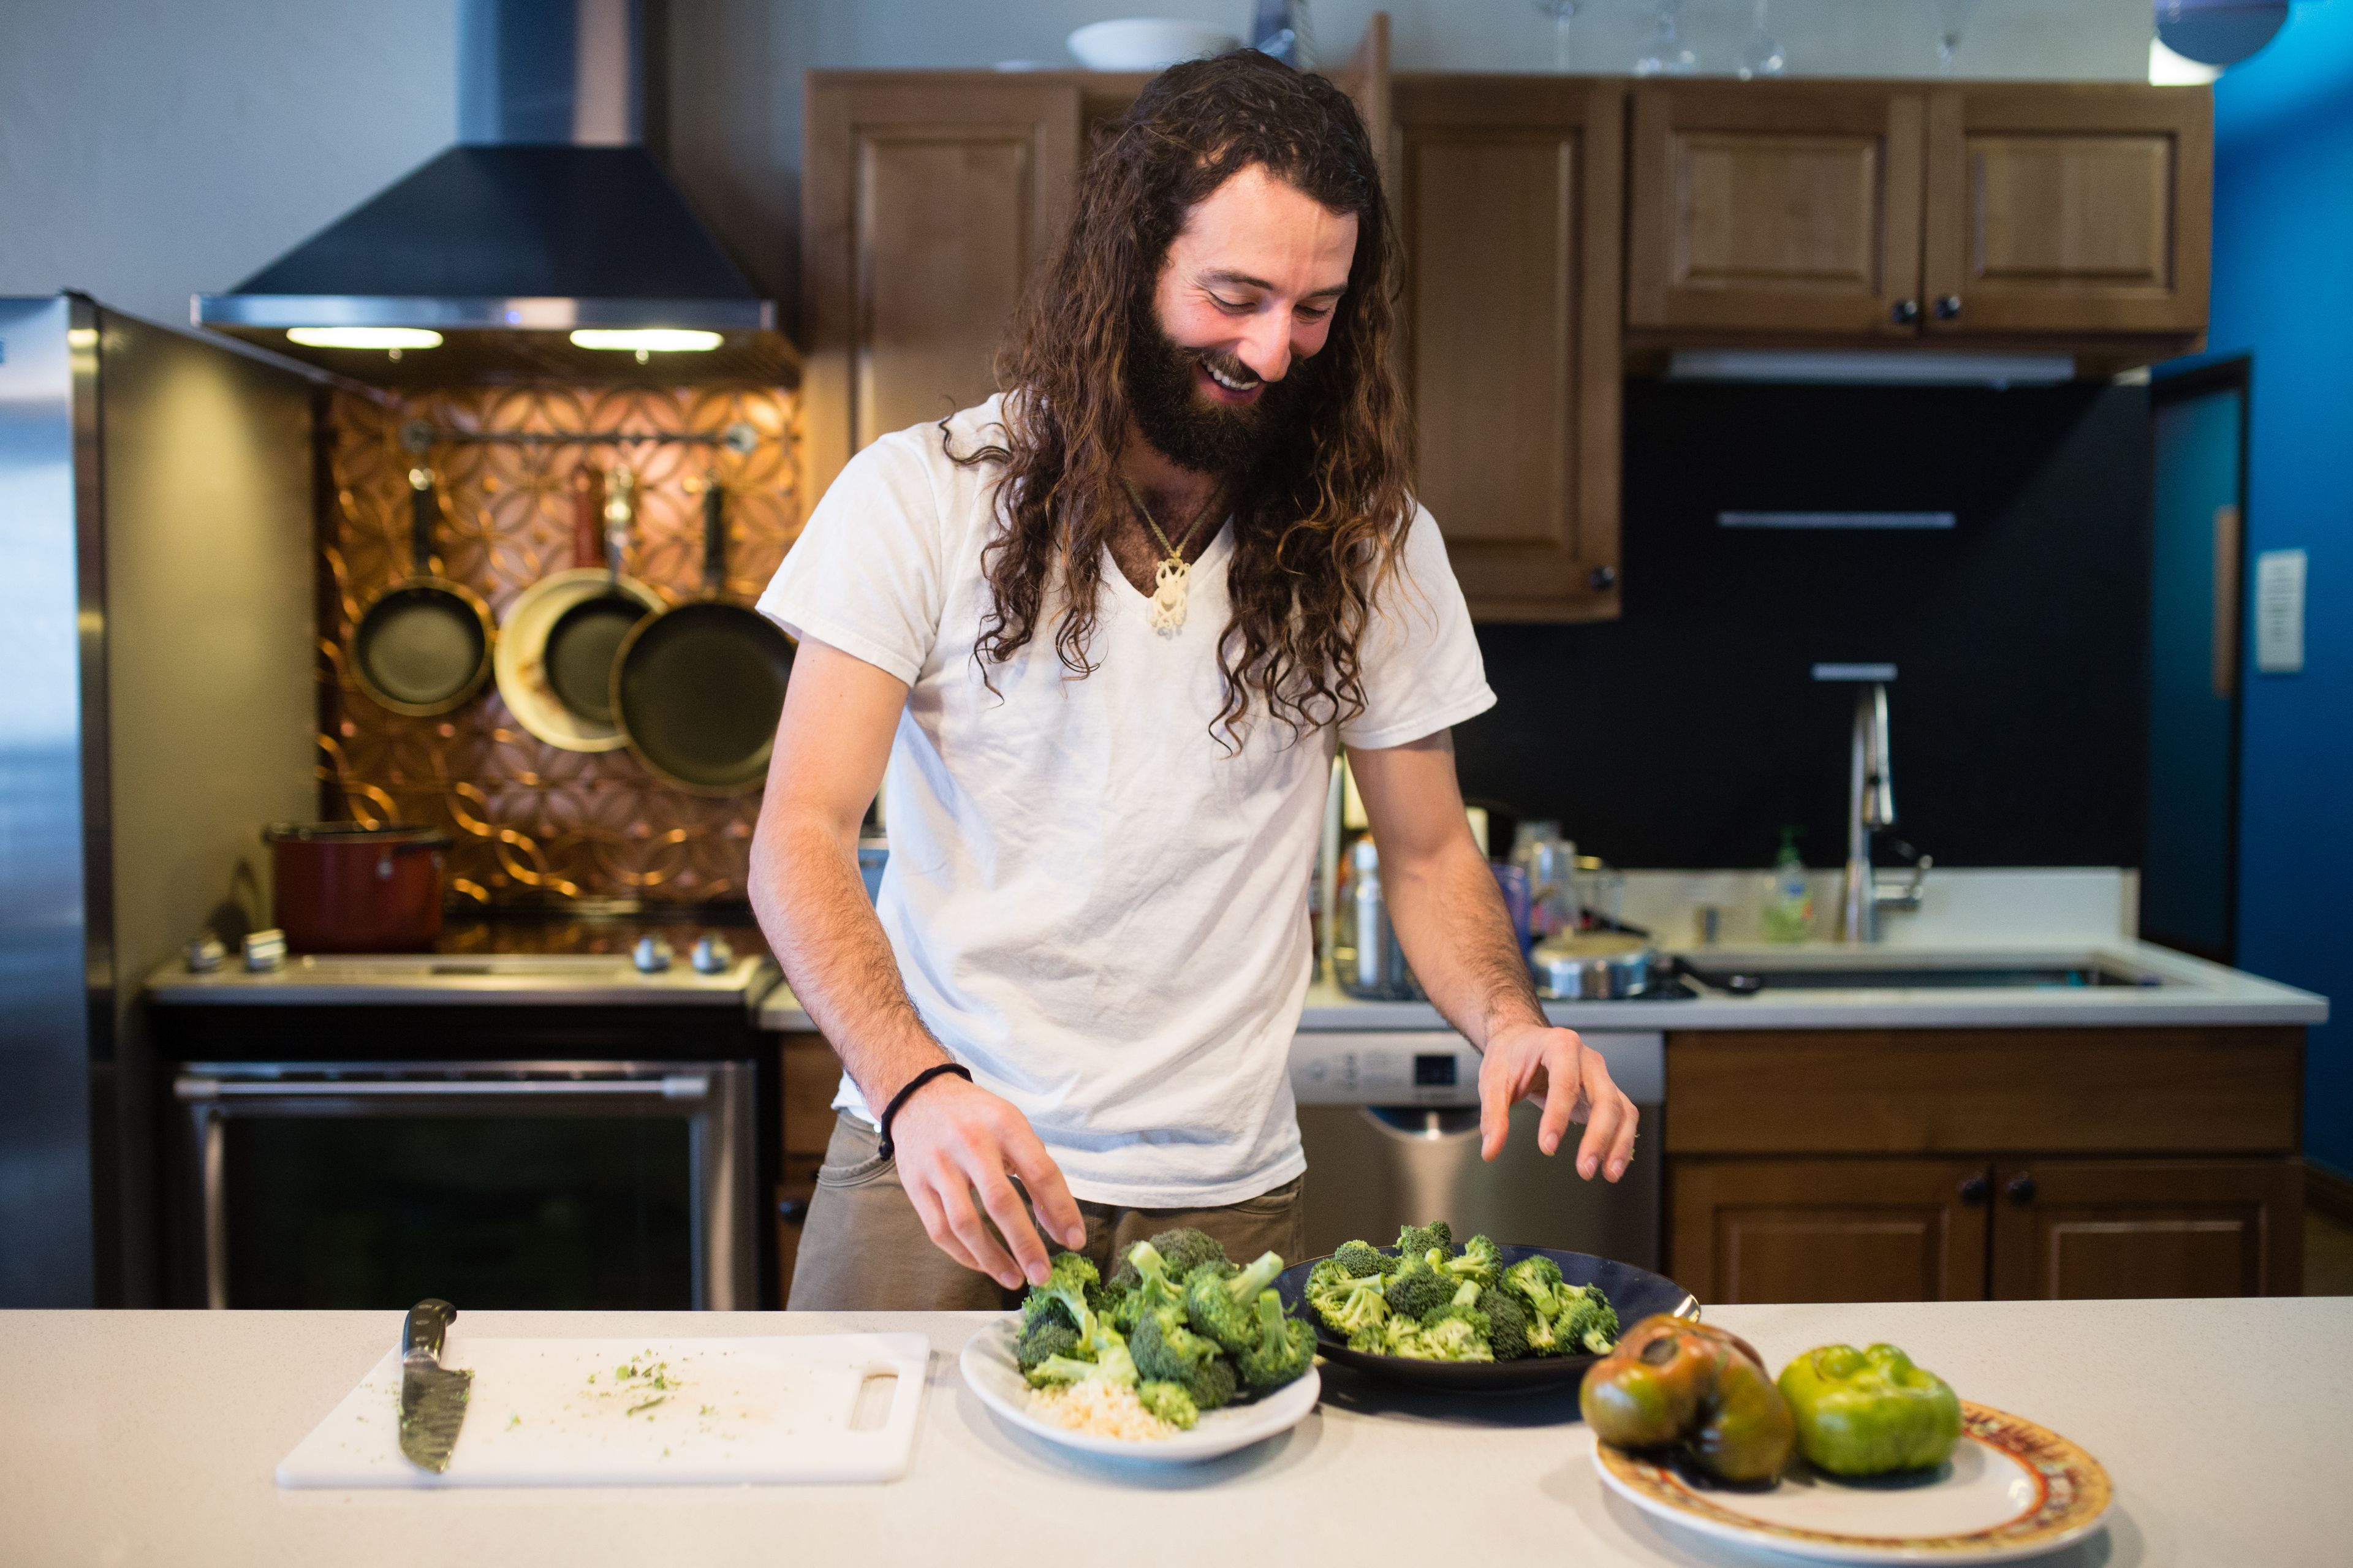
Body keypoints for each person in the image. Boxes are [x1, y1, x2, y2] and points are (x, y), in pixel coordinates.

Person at [749, 51, 1637, 1309]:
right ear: (1130, 263)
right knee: (881, 1507)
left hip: (1224, 1201)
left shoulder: (1373, 542)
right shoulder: (923, 494)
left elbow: (1431, 854)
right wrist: (913, 1086)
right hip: (940, 1163)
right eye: (1237, 295)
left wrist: (1511, 1019)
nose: (1277, 351)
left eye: (1316, 308)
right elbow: (801, 834)